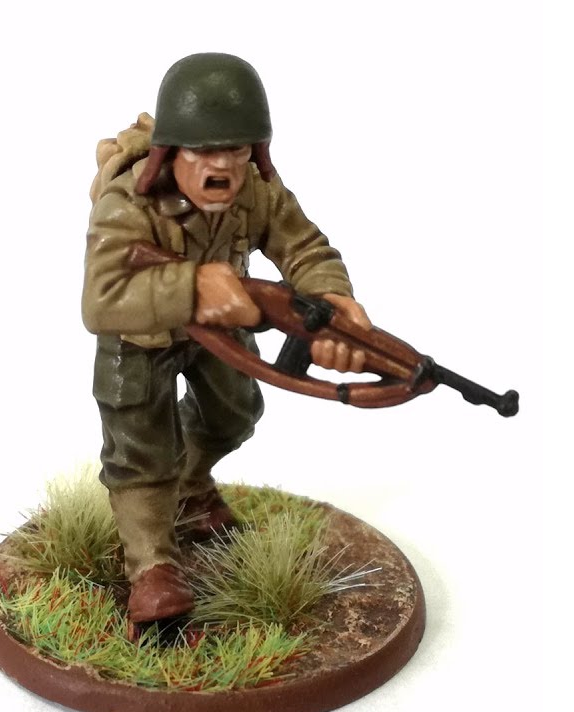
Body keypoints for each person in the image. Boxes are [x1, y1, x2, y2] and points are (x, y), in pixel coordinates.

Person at [82, 53, 370, 623]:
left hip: (217, 336)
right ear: (171, 152)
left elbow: (303, 246)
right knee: (141, 455)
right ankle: (152, 570)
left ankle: (191, 490)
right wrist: (191, 286)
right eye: (202, 151)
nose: (221, 165)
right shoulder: (128, 204)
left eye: (235, 150)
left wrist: (332, 303)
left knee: (235, 415)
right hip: (137, 341)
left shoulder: (256, 192)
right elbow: (100, 298)